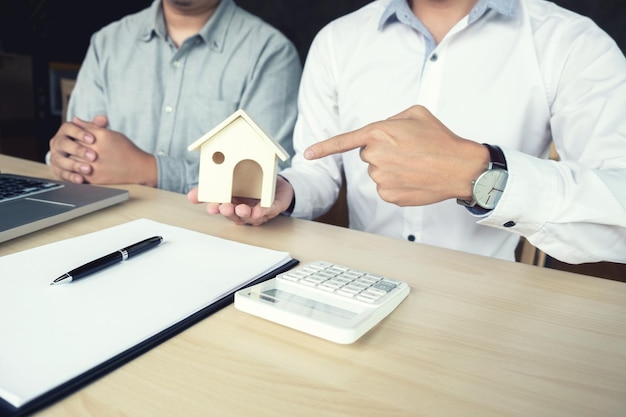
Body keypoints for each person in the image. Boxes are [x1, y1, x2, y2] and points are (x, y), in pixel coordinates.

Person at [188, 0, 626, 265]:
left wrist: (483, 174)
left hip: (486, 297)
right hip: (353, 282)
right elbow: (318, 172)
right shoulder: (338, 41)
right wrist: (285, 191)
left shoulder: (570, 44)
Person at [48, 0, 301, 193]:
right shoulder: (107, 42)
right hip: (109, 221)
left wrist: (150, 170)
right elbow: (79, 154)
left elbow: (269, 181)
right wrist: (66, 158)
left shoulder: (270, 52)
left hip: (215, 235)